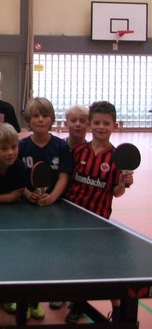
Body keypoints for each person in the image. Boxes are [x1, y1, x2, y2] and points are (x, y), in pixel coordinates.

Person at [64, 101, 134, 324]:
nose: (101, 127)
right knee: (74, 262)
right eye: (96, 123)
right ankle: (76, 302)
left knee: (99, 265)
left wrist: (122, 183)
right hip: (72, 216)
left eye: (106, 123)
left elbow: (117, 193)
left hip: (98, 220)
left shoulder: (116, 158)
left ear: (115, 125)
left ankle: (113, 308)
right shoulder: (78, 152)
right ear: (89, 124)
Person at [7, 97, 73, 321]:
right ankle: (18, 296)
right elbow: (16, 174)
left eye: (45, 116)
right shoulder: (22, 146)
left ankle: (34, 300)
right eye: (35, 116)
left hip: (51, 210)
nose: (41, 120)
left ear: (52, 119)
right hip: (25, 208)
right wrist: (27, 193)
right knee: (22, 254)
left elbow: (63, 175)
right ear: (29, 120)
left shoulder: (61, 146)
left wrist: (53, 196)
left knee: (44, 256)